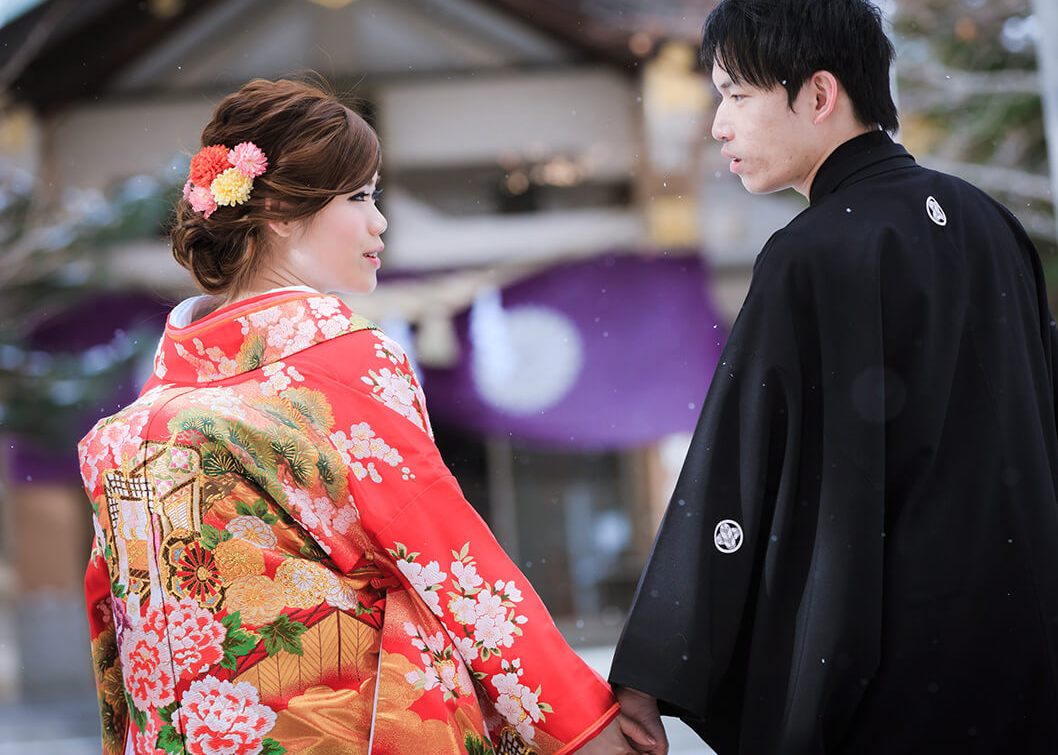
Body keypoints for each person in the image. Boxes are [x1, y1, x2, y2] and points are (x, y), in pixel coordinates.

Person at [609, 0, 1058, 753]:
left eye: (738, 95)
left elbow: (739, 469)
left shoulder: (813, 254)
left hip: (899, 690)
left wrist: (655, 665)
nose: (719, 125)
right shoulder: (993, 227)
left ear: (819, 95)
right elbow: (1057, 458)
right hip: (1033, 665)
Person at [79, 77, 656, 755]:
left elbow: (113, 609)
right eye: (359, 198)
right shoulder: (341, 358)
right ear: (281, 214)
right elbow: (446, 556)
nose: (380, 222)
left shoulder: (135, 425)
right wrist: (581, 723)